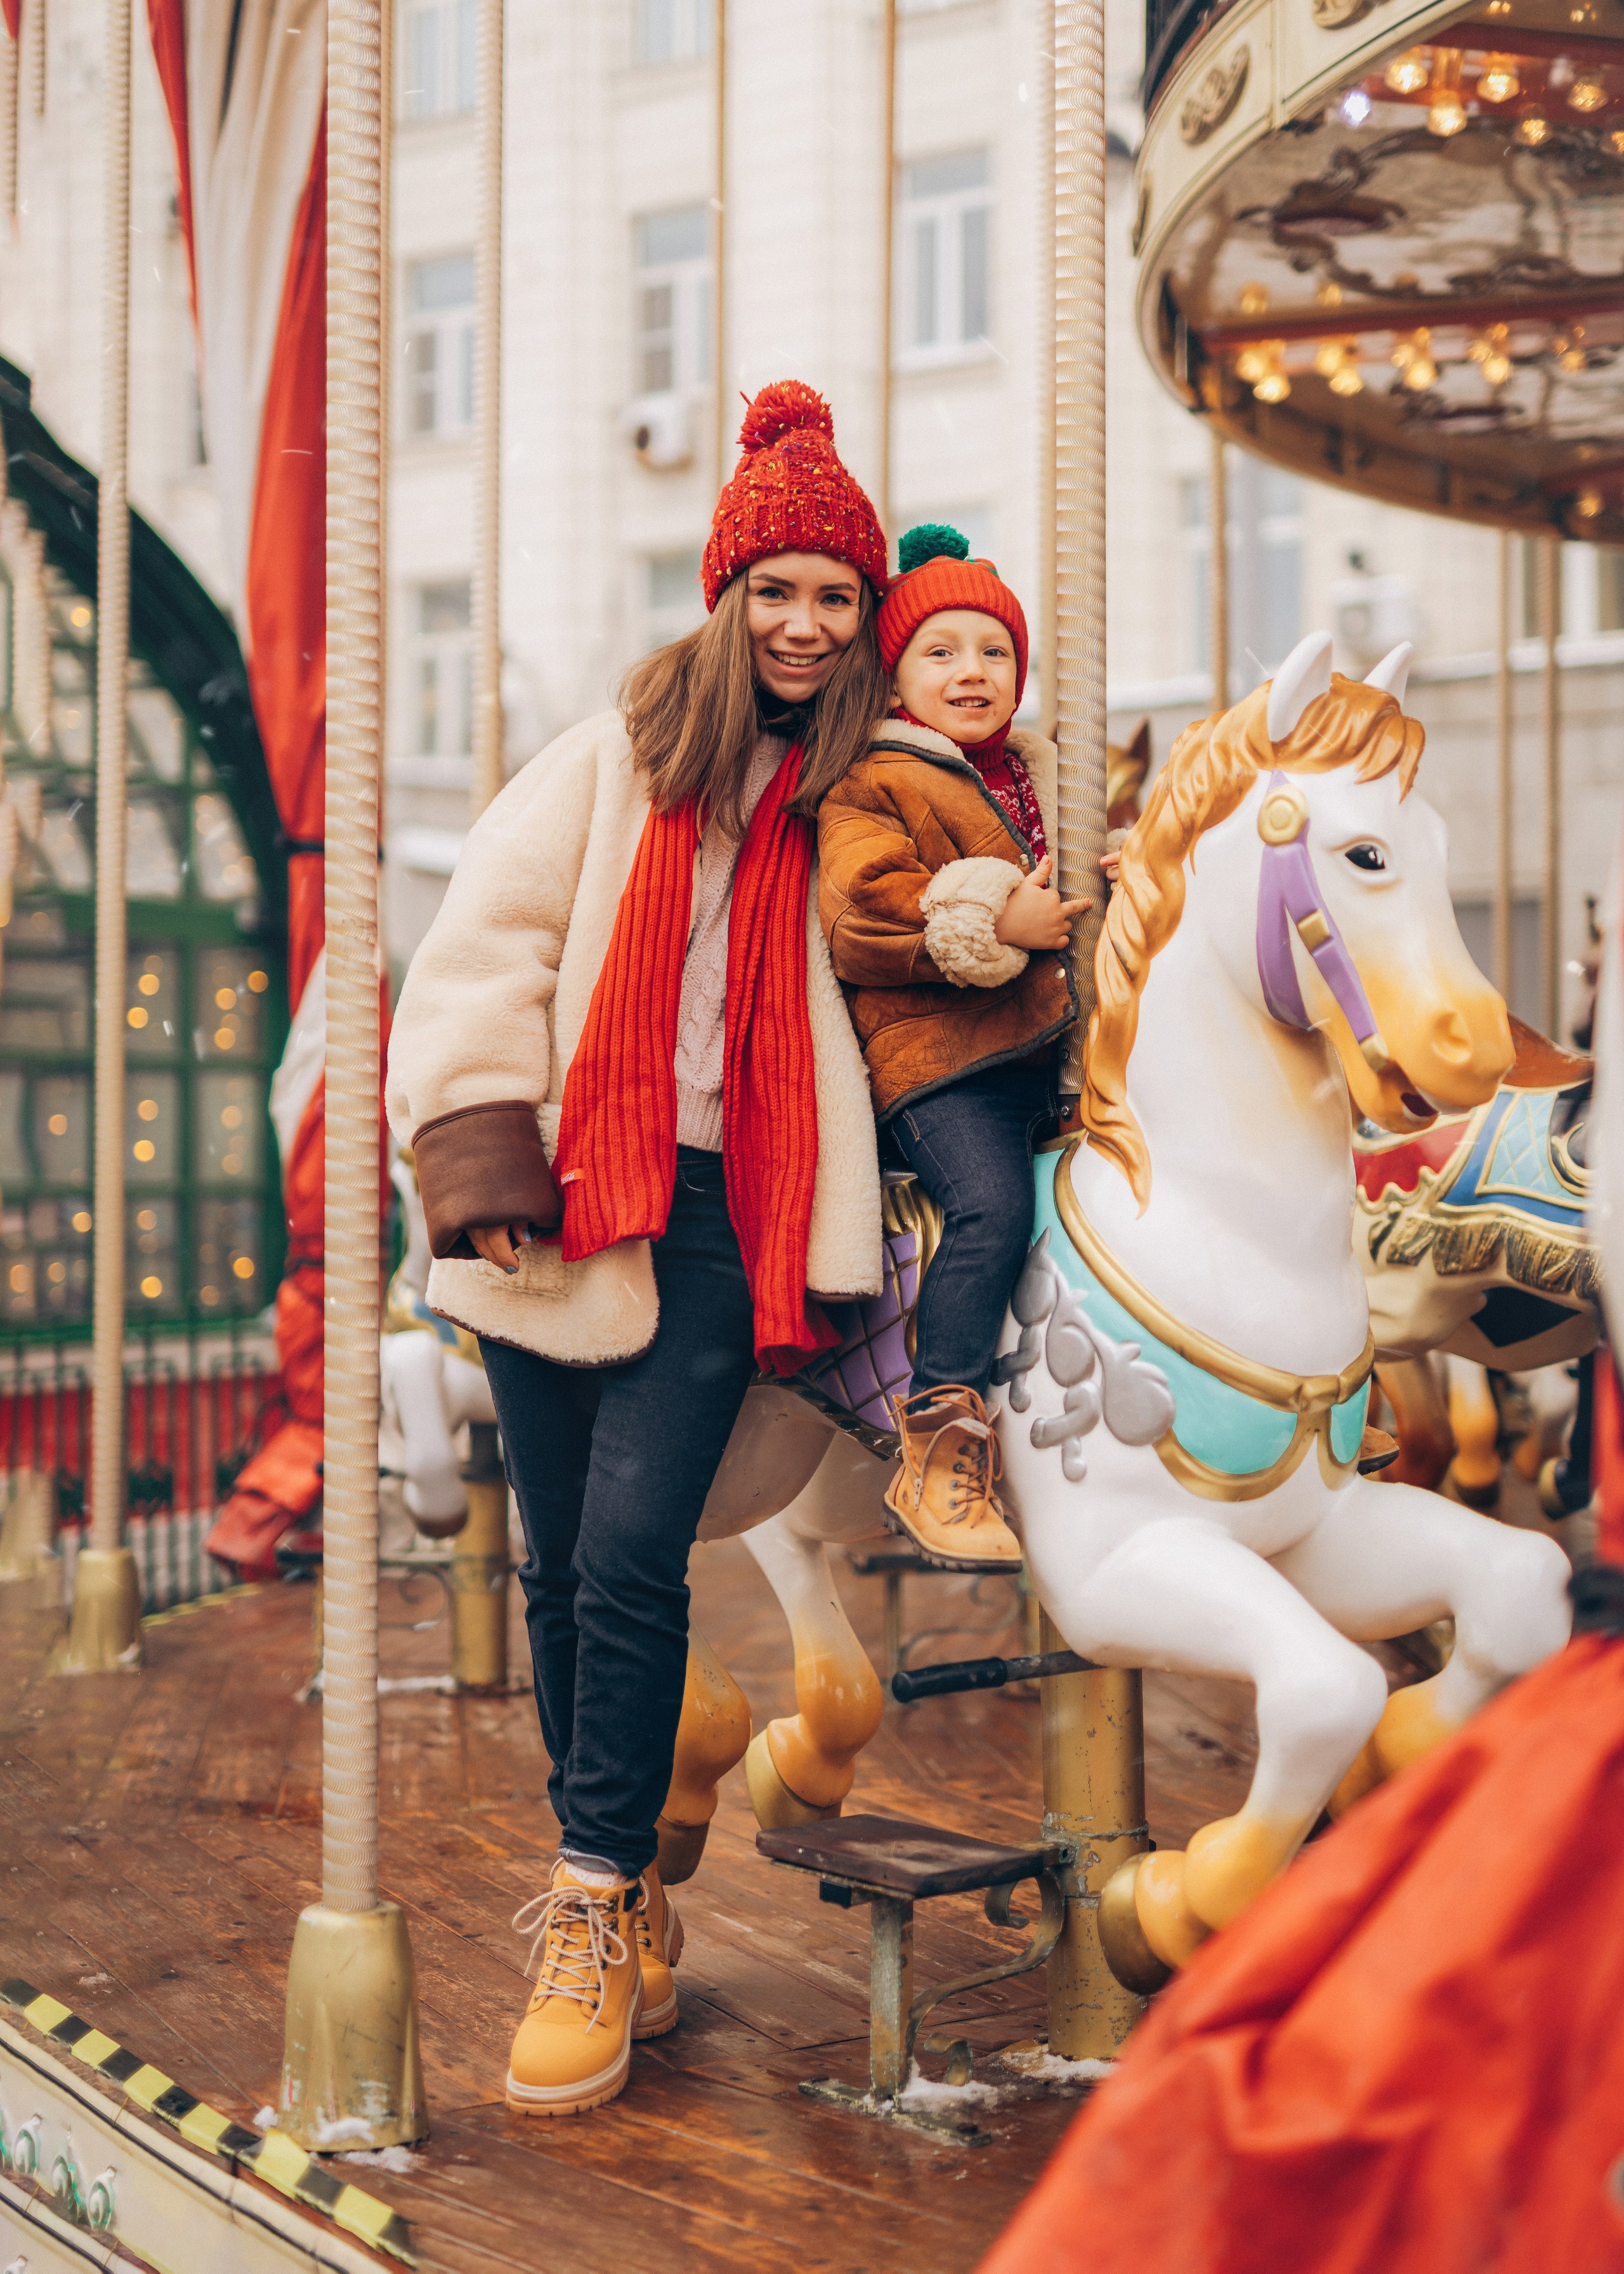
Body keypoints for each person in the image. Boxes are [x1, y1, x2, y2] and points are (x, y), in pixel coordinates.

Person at [386, 381, 887, 2118]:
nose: (805, 624)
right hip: (562, 1190)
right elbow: (485, 948)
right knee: (552, 1566)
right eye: (779, 589)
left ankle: (594, 1897)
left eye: (836, 596)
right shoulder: (617, 755)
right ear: (725, 595)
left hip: (724, 1210)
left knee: (626, 1553)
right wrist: (485, 1155)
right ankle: (627, 1882)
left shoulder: (850, 791)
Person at [818, 524, 1089, 1573]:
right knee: (993, 1207)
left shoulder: (1038, 778)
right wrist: (992, 915)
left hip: (1045, 1053)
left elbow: (1074, 894)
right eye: (941, 652)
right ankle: (940, 1437)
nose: (973, 671)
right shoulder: (872, 778)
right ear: (895, 678)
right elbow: (861, 912)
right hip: (941, 1066)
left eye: (995, 651)